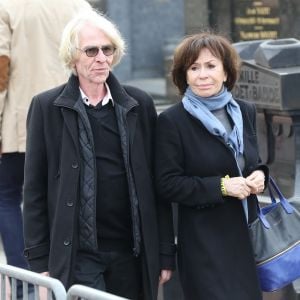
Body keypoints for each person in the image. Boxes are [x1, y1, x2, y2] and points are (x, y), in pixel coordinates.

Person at [23, 9, 174, 300]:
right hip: (78, 254)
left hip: (133, 250)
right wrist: (39, 261)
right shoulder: (46, 107)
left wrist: (165, 250)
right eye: (91, 50)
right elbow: (34, 190)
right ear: (73, 57)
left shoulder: (138, 105)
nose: (101, 58)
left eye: (108, 49)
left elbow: (157, 185)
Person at [155, 32, 269, 300]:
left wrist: (260, 175)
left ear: (226, 73)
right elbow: (166, 183)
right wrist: (221, 186)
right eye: (194, 68)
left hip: (248, 236)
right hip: (205, 245)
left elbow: (252, 161)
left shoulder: (245, 111)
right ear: (184, 76)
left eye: (210, 66)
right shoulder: (172, 121)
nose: (202, 75)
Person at [0, 0, 91, 297]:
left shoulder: (7, 7)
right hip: (70, 118)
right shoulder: (78, 5)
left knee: (7, 195)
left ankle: (26, 283)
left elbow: (1, 69)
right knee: (65, 195)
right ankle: (62, 280)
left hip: (19, 120)